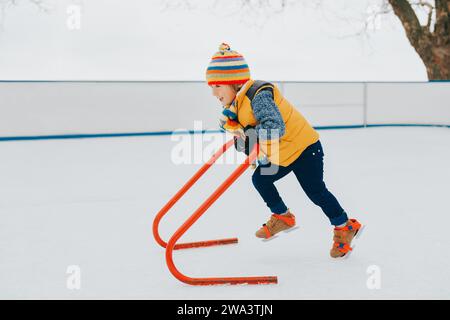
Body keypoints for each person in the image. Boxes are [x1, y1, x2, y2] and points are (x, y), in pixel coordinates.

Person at [206, 43, 363, 258]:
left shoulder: (256, 95)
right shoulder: (236, 108)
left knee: (315, 191)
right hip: (282, 153)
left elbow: (274, 128)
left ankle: (345, 227)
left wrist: (249, 134)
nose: (214, 93)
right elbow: (251, 140)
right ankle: (283, 217)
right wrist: (242, 141)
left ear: (233, 82)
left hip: (305, 148)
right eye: (211, 87)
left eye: (217, 86)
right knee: (260, 179)